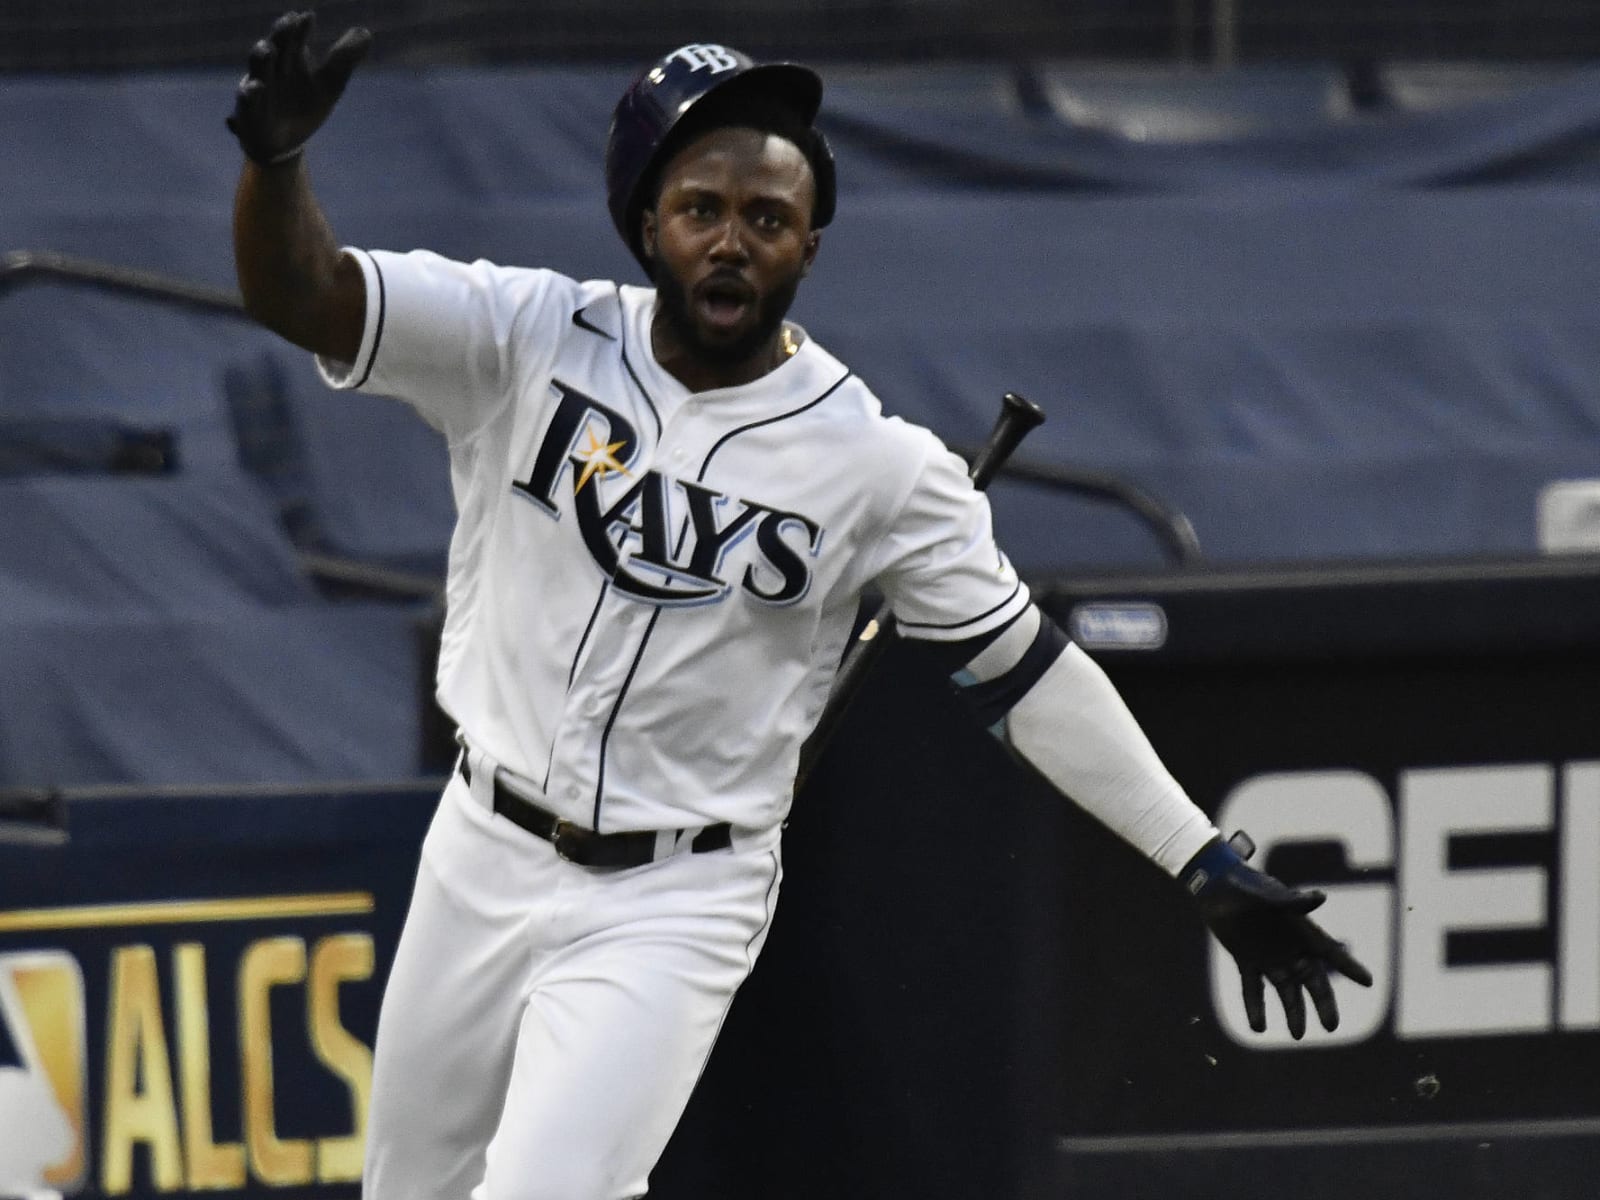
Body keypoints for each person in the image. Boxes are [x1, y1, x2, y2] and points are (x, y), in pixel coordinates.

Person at [227, 14, 1372, 1200]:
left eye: (767, 219)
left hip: (672, 895)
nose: (732, 241)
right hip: (482, 842)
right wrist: (276, 164)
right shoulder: (522, 336)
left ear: (808, 247)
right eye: (702, 208)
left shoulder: (877, 464)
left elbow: (1027, 676)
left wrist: (1198, 859)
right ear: (645, 221)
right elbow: (302, 292)